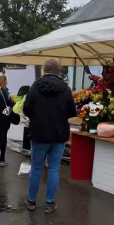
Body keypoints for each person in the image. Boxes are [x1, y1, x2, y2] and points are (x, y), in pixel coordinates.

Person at [23, 59, 78, 213]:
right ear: (58, 71)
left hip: (39, 133)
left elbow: (27, 108)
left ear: (44, 70)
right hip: (59, 134)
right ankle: (49, 203)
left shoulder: (35, 87)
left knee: (36, 168)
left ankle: (31, 201)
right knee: (54, 169)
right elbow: (72, 112)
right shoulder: (65, 88)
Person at [15, 85, 33, 152]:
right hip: (26, 117)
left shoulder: (22, 97)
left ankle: (26, 147)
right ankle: (27, 147)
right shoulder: (27, 97)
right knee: (27, 128)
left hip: (22, 114)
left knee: (26, 128)